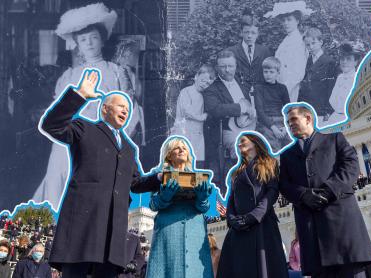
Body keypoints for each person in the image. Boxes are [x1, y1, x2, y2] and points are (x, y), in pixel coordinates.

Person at [40, 70, 159, 277]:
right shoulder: (84, 128)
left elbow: (136, 182)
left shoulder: (130, 148)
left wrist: (158, 178)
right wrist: (79, 96)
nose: (126, 111)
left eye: (128, 108)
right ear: (105, 109)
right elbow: (52, 125)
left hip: (112, 237)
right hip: (83, 231)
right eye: (121, 106)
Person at [33, 3, 135, 209]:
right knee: (60, 190)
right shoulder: (69, 76)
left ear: (102, 40)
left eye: (94, 37)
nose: (89, 43)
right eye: (83, 39)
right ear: (77, 44)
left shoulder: (116, 72)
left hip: (102, 142)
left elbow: (128, 111)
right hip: (69, 143)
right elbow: (58, 115)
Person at [279, 104, 371, 277]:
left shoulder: (335, 139)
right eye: (287, 122)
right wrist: (303, 195)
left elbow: (351, 168)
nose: (289, 124)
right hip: (312, 235)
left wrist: (328, 191)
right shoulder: (286, 155)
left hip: (342, 229)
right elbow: (284, 185)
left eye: (293, 119)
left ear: (308, 118)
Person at [217, 132, 289, 278]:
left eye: (243, 140)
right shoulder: (236, 172)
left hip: (261, 225)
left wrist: (253, 216)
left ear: (255, 142)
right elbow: (231, 199)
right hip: (238, 229)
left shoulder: (270, 163)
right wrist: (231, 219)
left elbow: (272, 192)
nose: (239, 144)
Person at [145, 137, 213, 278]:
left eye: (184, 147)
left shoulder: (199, 178)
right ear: (169, 154)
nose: (182, 149)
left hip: (195, 232)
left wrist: (202, 198)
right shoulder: (160, 176)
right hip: (169, 231)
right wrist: (165, 197)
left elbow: (204, 207)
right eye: (177, 147)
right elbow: (152, 204)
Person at [203, 50, 256, 186]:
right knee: (243, 148)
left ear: (236, 66)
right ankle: (245, 183)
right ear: (217, 67)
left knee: (268, 144)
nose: (227, 70)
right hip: (227, 130)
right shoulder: (212, 89)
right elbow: (215, 110)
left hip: (250, 126)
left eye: (230, 66)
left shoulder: (241, 82)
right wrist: (241, 108)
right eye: (223, 66)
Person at [264, 0, 313, 102]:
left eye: (289, 20)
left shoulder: (299, 42)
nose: (285, 23)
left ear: (297, 21)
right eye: (284, 20)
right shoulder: (286, 40)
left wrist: (283, 90)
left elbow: (298, 73)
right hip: (279, 85)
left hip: (289, 89)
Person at [171, 64, 216, 168]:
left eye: (208, 83)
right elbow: (187, 111)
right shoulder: (186, 91)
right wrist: (202, 117)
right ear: (196, 76)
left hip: (198, 136)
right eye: (203, 80)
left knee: (197, 164)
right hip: (183, 133)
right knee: (181, 164)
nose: (205, 84)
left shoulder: (205, 96)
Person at [298, 28, 337, 125]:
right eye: (308, 44)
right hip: (307, 107)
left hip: (321, 109)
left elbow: (331, 88)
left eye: (313, 43)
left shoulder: (329, 62)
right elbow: (305, 83)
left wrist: (328, 111)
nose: (311, 46)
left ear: (321, 42)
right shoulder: (308, 60)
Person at [226, 9, 273, 87]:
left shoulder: (265, 51)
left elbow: (270, 75)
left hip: (261, 94)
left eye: (253, 33)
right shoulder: (231, 52)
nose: (250, 36)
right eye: (247, 32)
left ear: (258, 34)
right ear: (241, 32)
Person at [254, 56, 291, 151]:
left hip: (282, 121)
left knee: (292, 142)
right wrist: (273, 128)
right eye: (265, 72)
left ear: (278, 73)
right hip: (266, 123)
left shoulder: (282, 88)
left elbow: (288, 109)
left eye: (271, 72)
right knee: (273, 145)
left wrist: (285, 126)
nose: (268, 75)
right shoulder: (259, 88)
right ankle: (276, 163)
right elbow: (260, 112)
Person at [327, 41, 364, 125]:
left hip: (351, 118)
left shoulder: (358, 79)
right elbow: (332, 99)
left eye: (348, 59)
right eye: (342, 59)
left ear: (356, 62)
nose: (344, 62)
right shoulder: (340, 77)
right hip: (336, 116)